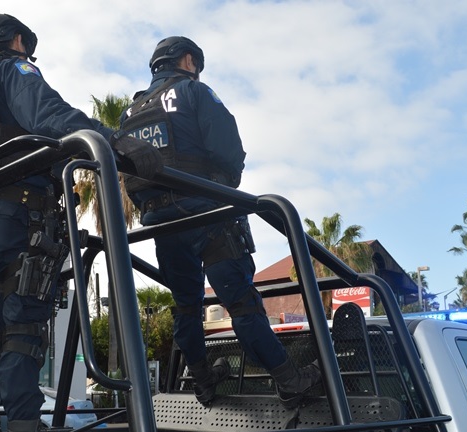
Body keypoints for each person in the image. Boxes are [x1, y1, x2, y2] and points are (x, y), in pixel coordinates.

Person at [0, 14, 162, 432]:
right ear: (16, 41)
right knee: (22, 330)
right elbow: (49, 114)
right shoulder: (13, 71)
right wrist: (112, 140)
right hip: (20, 213)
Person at [119, 37, 322, 409]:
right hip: (209, 213)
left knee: (185, 305)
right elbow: (228, 149)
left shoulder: (129, 114)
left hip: (162, 224)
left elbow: (129, 176)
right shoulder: (193, 91)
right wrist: (225, 189)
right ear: (187, 60)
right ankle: (288, 379)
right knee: (240, 302)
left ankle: (203, 382)